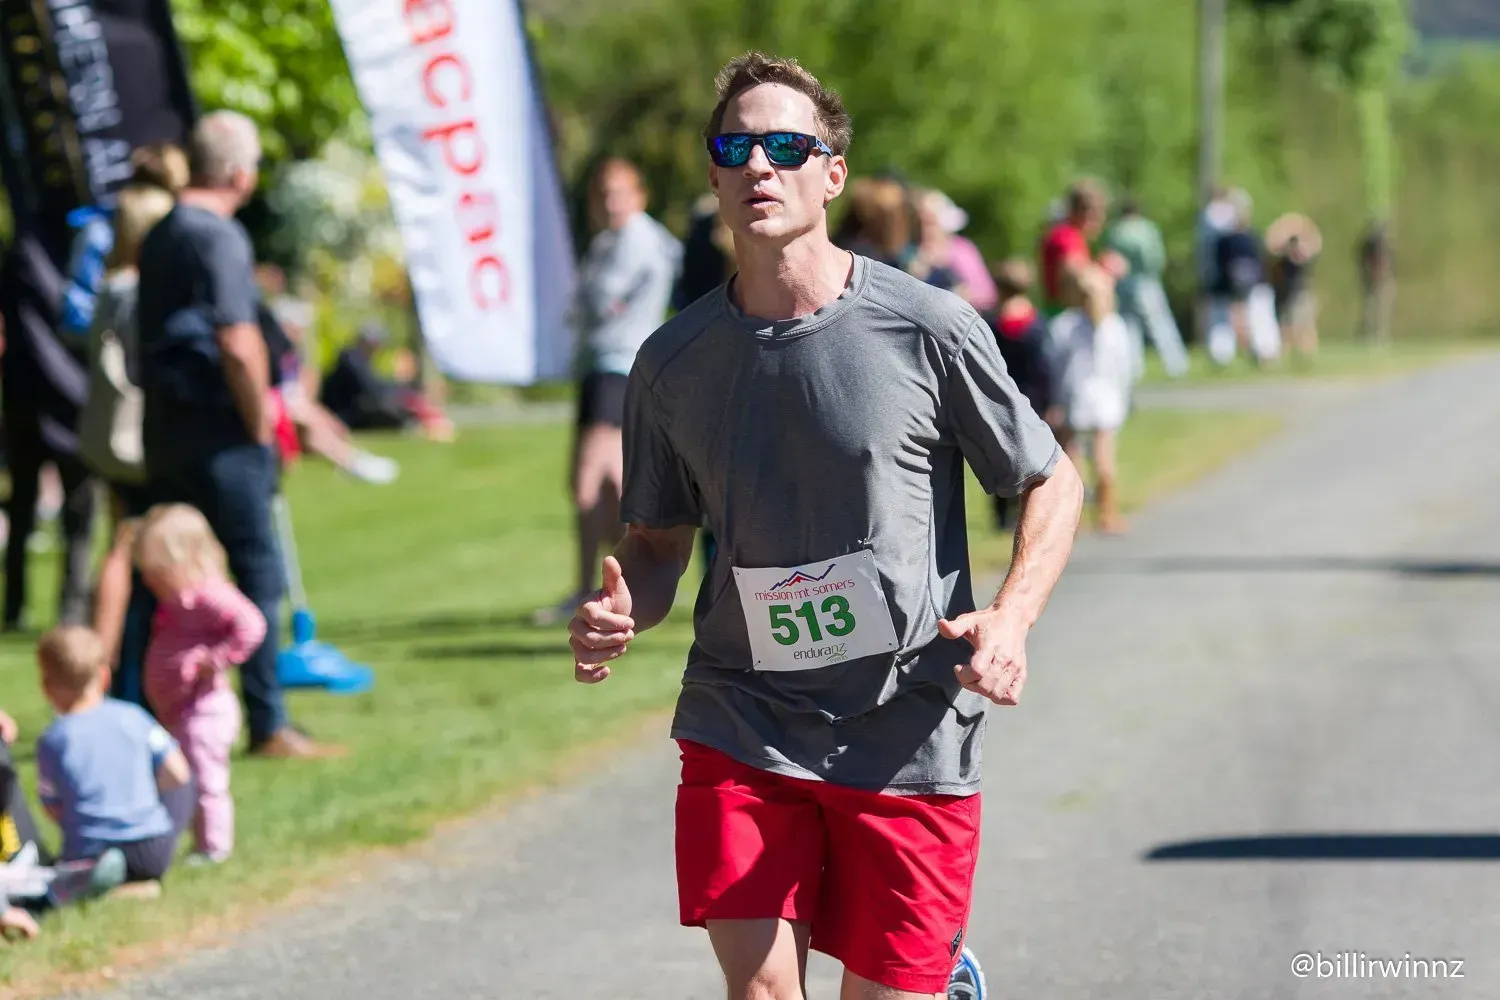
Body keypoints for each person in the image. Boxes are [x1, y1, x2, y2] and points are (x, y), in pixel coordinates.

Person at [567, 52, 1084, 1000]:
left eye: (786, 146)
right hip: (743, 717)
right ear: (715, 174)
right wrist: (623, 611)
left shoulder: (926, 328)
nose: (759, 165)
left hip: (910, 726)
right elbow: (655, 546)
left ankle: (942, 974)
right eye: (736, 146)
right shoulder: (671, 364)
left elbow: (1052, 481)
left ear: (831, 174)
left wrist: (1010, 619)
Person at [133, 110, 341, 759]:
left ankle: (139, 714)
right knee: (256, 572)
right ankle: (268, 721)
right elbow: (238, 338)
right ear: (240, 173)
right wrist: (259, 422)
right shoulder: (217, 235)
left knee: (160, 577)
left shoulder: (163, 230)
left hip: (166, 429)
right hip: (221, 432)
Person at [534, 159, 682, 625]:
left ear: (640, 194)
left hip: (622, 367)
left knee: (591, 485)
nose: (611, 201)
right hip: (598, 367)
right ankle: (596, 590)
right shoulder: (607, 243)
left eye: (620, 191)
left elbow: (597, 303)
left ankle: (618, 590)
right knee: (601, 489)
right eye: (604, 193)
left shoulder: (643, 240)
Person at [79, 155, 188, 672]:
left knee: (120, 543)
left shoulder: (109, 286)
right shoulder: (139, 292)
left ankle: (110, 664)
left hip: (108, 437)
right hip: (143, 438)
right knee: (137, 552)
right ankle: (119, 667)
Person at [135, 504, 266, 864]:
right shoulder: (178, 600)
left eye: (157, 574)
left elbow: (251, 624)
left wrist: (217, 659)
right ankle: (189, 840)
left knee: (207, 780)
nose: (150, 583)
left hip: (204, 711)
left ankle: (214, 846)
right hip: (179, 710)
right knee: (181, 778)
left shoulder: (209, 594)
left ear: (185, 560)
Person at [34, 626, 194, 889]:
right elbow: (178, 772)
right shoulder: (134, 716)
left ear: (47, 687)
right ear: (104, 675)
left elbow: (52, 805)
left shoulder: (54, 739)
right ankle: (137, 882)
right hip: (152, 847)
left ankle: (104, 883)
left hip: (91, 849)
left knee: (67, 877)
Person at [1046, 266, 1134, 535]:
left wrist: (1055, 399)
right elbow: (1125, 368)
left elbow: (1055, 365)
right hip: (1107, 398)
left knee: (1073, 458)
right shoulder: (1116, 326)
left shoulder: (1063, 324)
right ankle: (1107, 513)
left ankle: (1076, 515)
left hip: (1075, 396)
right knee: (1104, 459)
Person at [986, 258, 1057, 531]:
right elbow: (1045, 368)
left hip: (999, 398)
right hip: (1033, 398)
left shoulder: (991, 323)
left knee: (999, 456)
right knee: (1030, 455)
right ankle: (1024, 511)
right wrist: (1051, 401)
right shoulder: (1036, 323)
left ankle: (1002, 513)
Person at [1103, 198, 1189, 378]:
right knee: (1160, 323)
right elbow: (1155, 257)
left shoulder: (1116, 231)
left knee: (1129, 326)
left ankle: (1133, 367)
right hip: (1146, 281)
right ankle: (1176, 364)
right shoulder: (1147, 228)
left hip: (1123, 282)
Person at [1038, 178, 1108, 316]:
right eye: (1100, 213)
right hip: (1065, 317)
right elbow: (1080, 281)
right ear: (1089, 213)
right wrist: (1104, 273)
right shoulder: (1067, 237)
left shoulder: (1066, 234)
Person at [1265, 212, 1323, 359]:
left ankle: (1307, 354)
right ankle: (1288, 353)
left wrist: (1300, 228)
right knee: (1286, 324)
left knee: (1304, 325)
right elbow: (1271, 245)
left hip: (1301, 292)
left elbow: (1315, 244)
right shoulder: (1283, 256)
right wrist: (1286, 231)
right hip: (1286, 293)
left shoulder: (1303, 254)